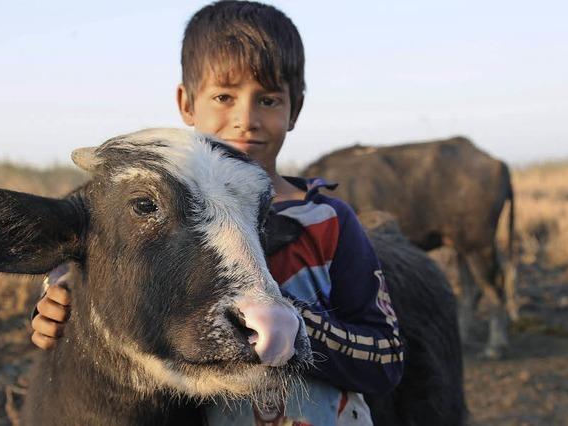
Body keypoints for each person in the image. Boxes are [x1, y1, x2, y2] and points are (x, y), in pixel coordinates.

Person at [31, 1, 403, 424]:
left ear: (294, 109)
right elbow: (103, 279)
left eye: (268, 100)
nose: (245, 120)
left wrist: (283, 318)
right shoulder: (161, 211)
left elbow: (386, 359)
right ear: (187, 103)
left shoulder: (326, 222)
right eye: (224, 96)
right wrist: (55, 304)